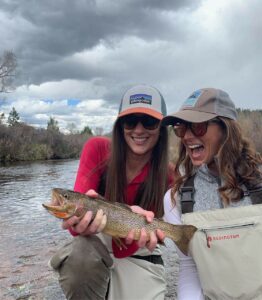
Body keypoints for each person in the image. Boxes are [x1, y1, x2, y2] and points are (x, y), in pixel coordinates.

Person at [162, 88, 262, 299]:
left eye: (197, 126)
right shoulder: (176, 199)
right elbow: (190, 270)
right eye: (181, 128)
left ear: (226, 128)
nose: (187, 136)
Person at [49, 84, 174, 300]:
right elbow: (75, 231)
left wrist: (132, 227)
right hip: (94, 244)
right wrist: (81, 222)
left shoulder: (169, 174)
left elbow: (124, 251)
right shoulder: (96, 148)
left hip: (140, 249)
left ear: (161, 128)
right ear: (120, 125)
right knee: (79, 259)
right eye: (130, 121)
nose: (138, 129)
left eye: (149, 122)